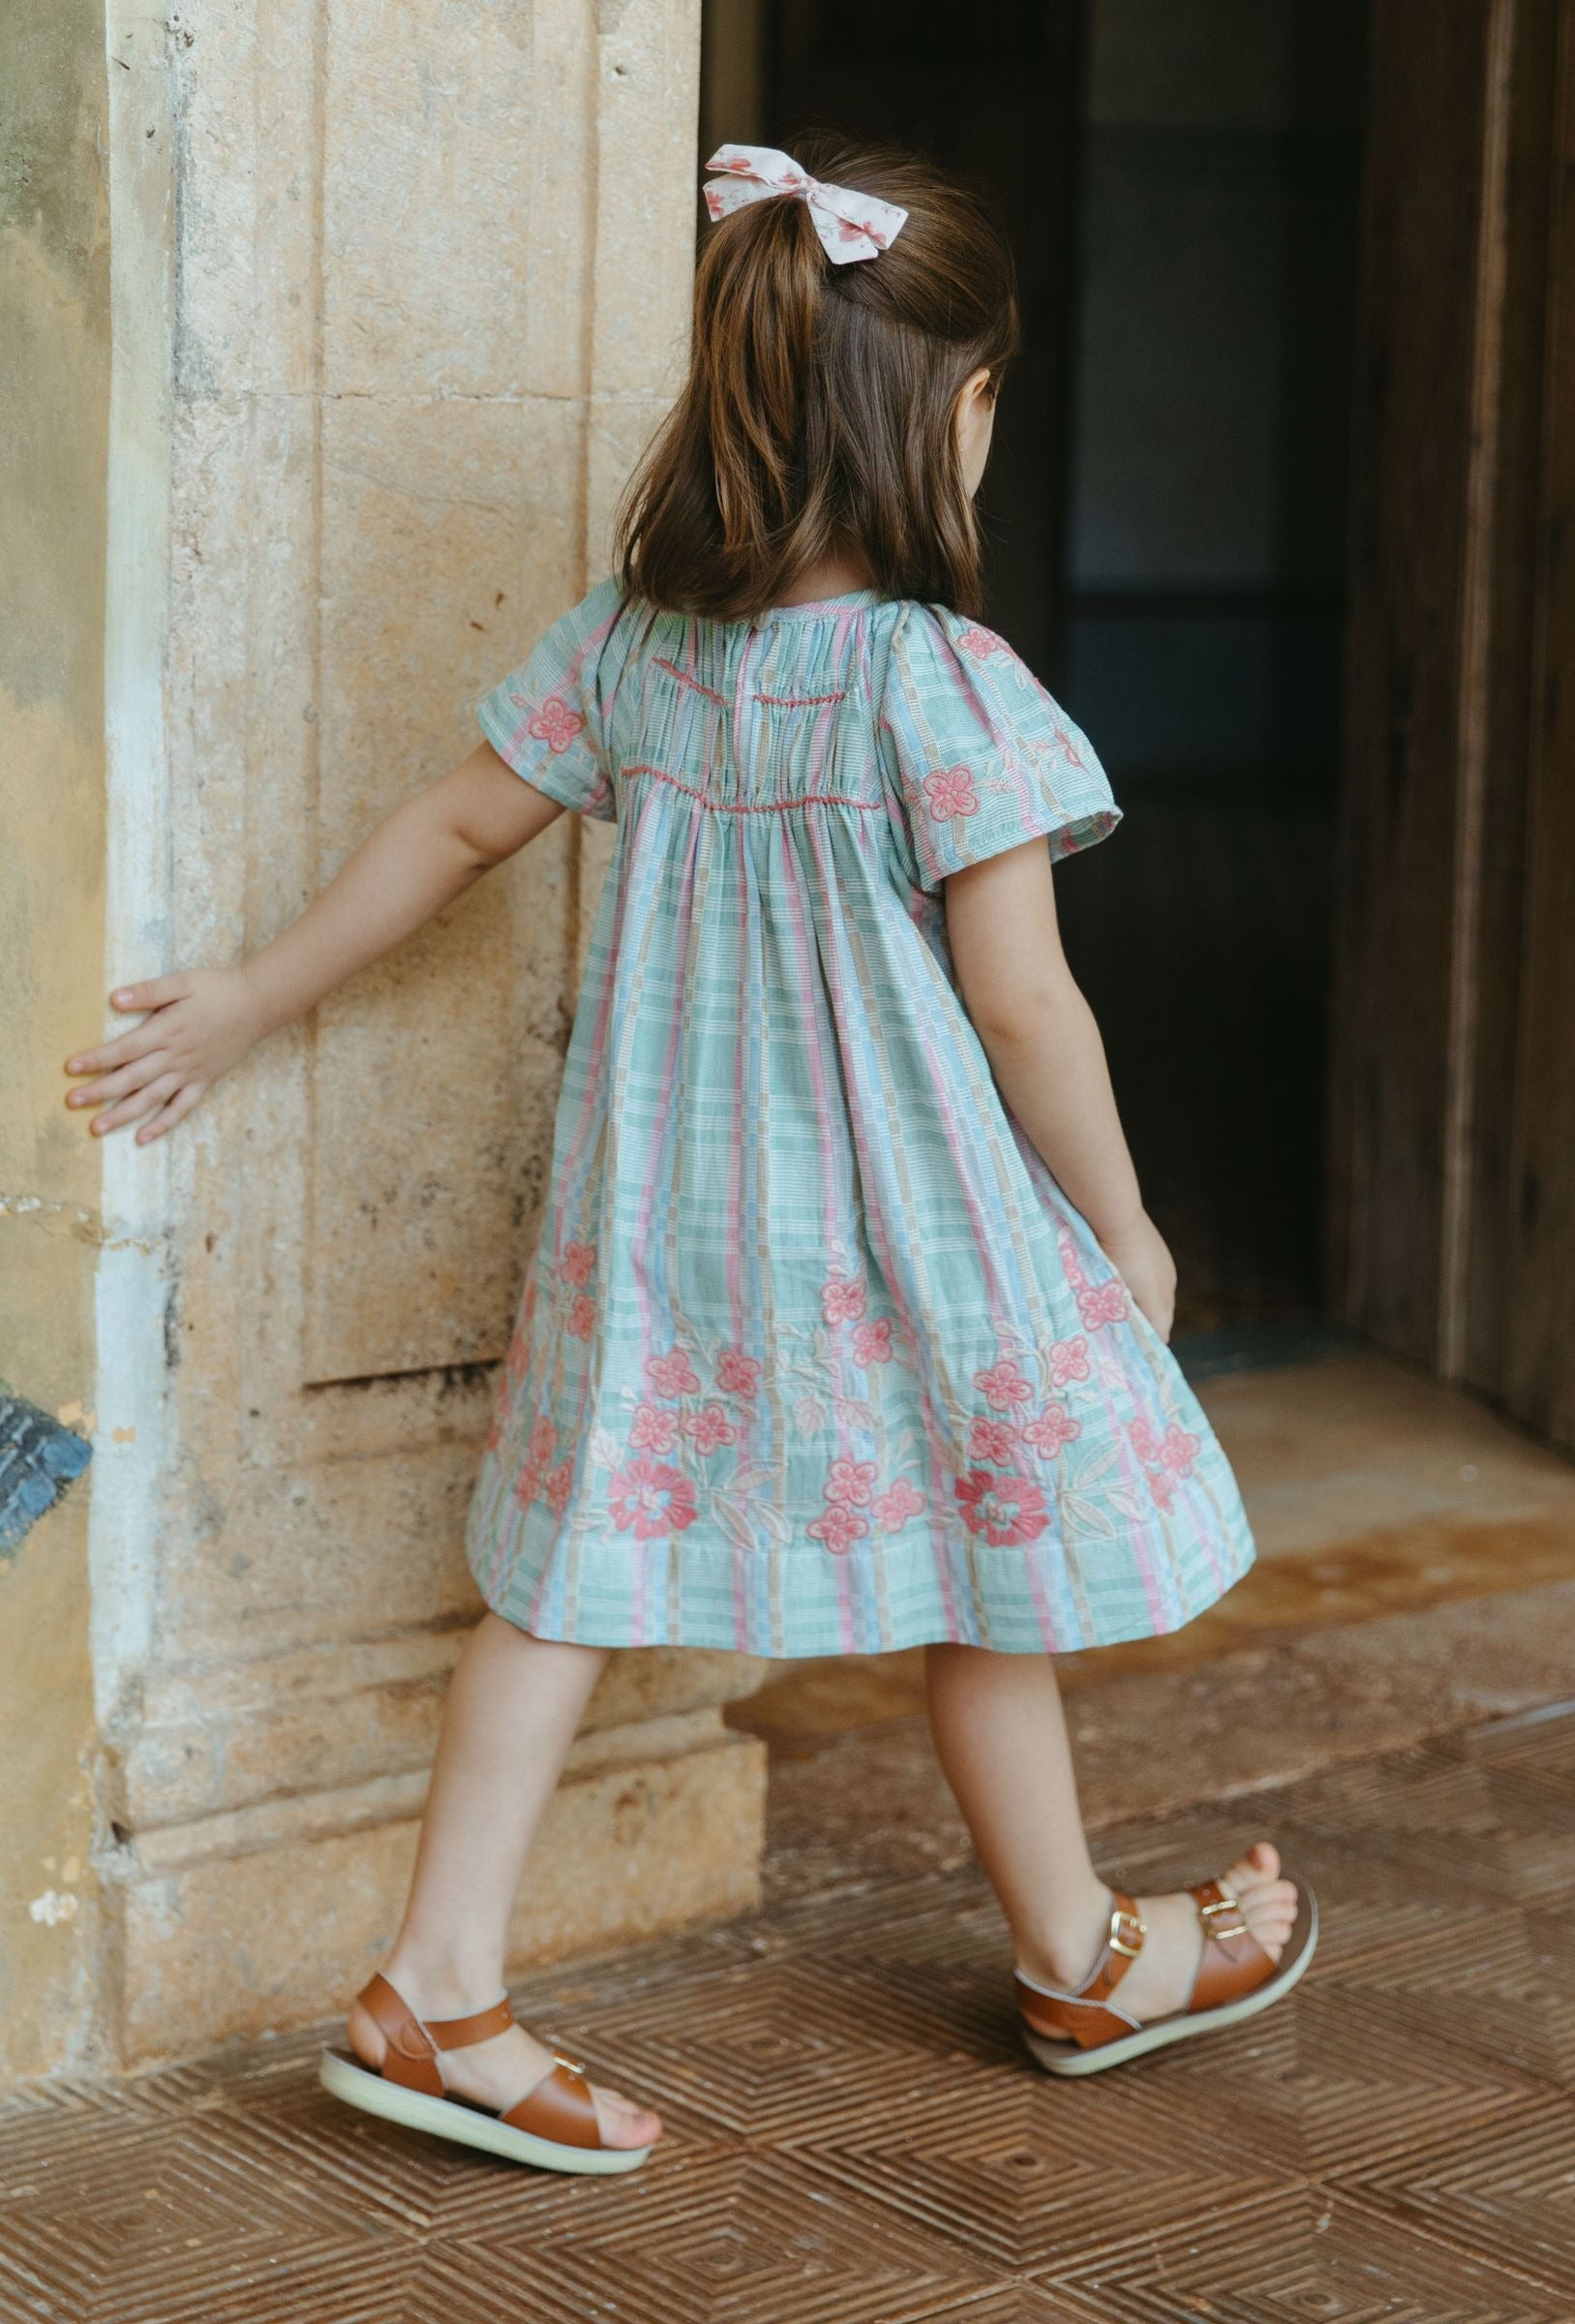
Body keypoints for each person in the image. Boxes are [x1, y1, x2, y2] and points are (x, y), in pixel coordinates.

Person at [65, 135, 1314, 2175]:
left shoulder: (642, 642)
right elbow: (1023, 1003)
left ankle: (437, 1982)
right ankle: (1080, 1950)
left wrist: (247, 996)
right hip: (906, 1224)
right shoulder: (938, 681)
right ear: (947, 413)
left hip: (662, 1229)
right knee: (986, 1581)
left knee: (565, 1578)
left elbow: (456, 825)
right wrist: (1123, 1223)